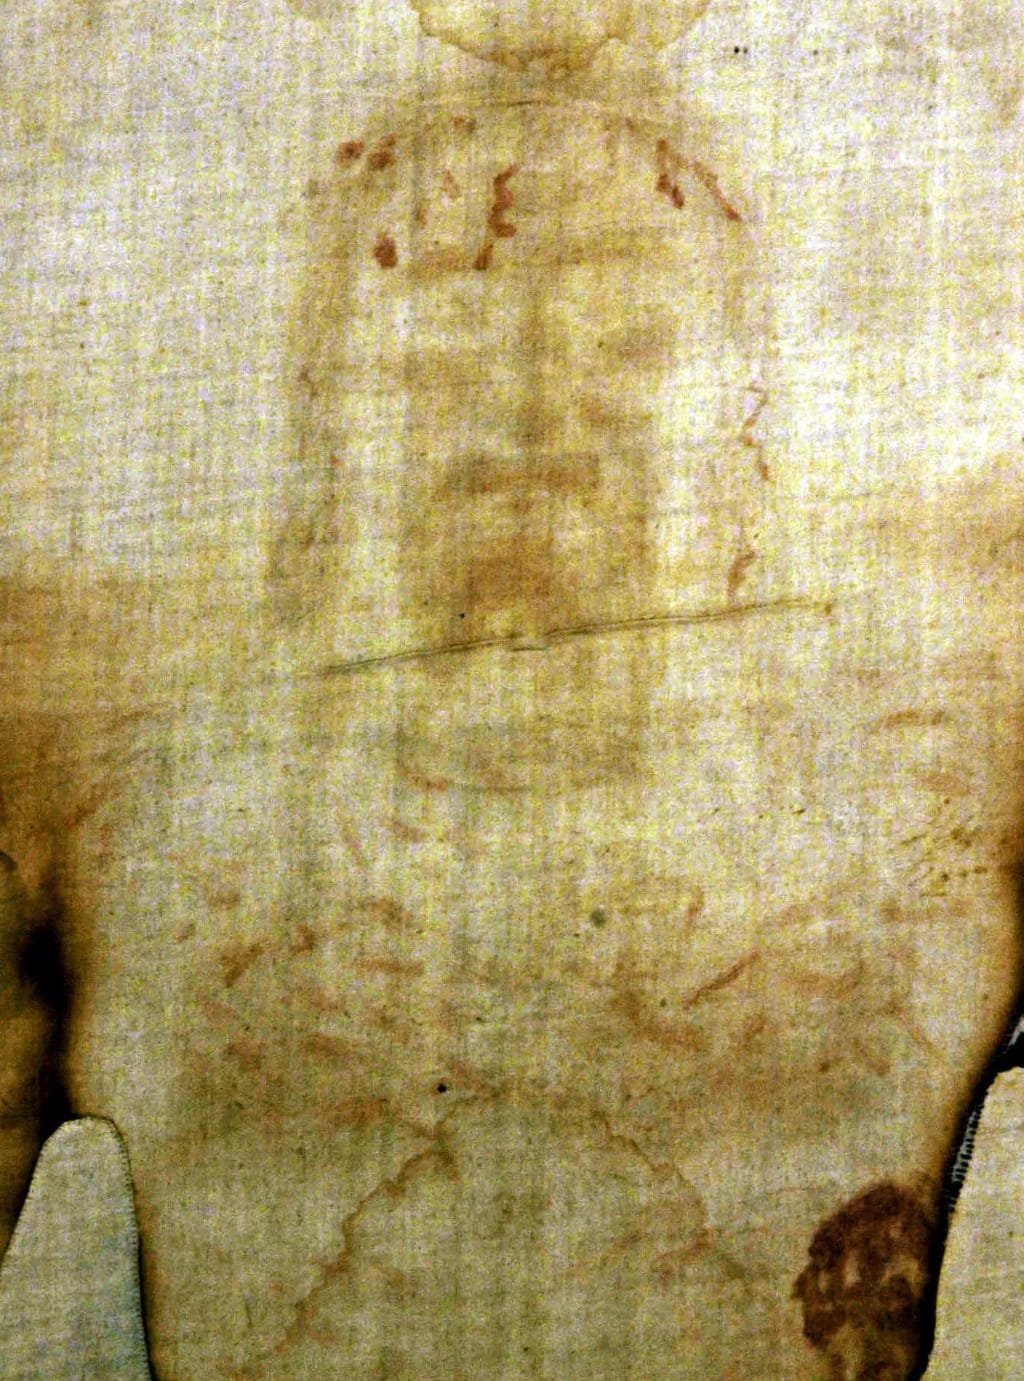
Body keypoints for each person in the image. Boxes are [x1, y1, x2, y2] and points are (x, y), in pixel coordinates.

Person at [0, 2, 1021, 1376]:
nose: (534, 421)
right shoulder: (134, 800)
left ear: (744, 424)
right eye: (445, 360)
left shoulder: (936, 775)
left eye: (625, 354)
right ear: (330, 416)